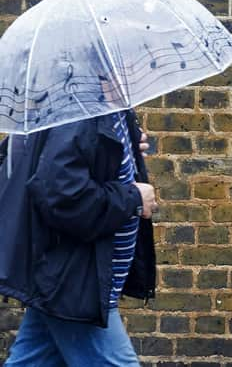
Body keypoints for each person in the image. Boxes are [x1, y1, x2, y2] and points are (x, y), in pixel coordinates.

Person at [0, 109, 157, 366]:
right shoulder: (78, 111)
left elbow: (86, 165)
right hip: (72, 278)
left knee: (33, 360)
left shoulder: (105, 110)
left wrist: (126, 139)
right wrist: (133, 198)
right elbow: (62, 195)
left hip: (71, 274)